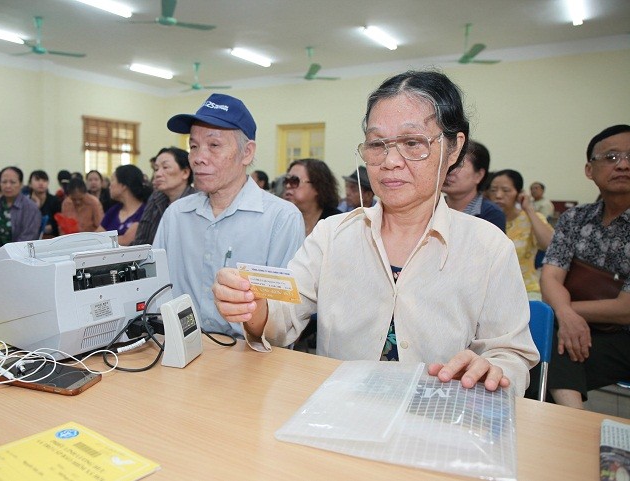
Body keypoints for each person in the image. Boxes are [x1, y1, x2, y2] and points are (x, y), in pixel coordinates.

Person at [212, 71, 538, 394]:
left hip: (436, 421)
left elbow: (511, 355)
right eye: (377, 144)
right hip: (339, 411)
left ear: (453, 149)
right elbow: (281, 319)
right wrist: (254, 309)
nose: (390, 161)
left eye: (412, 143)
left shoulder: (488, 247)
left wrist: (494, 370)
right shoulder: (332, 235)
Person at [154, 93, 304, 338]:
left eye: (214, 145)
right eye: (193, 146)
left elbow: (284, 317)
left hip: (252, 356)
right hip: (181, 348)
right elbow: (155, 293)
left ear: (247, 153)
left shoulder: (281, 219)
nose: (198, 158)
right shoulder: (176, 215)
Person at [539, 124, 630, 408]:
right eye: (612, 157)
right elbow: (551, 277)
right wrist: (565, 314)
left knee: (543, 364)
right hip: (573, 329)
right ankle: (572, 420)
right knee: (538, 348)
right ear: (590, 170)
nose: (623, 165)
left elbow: (625, 310)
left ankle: (570, 419)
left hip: (623, 338)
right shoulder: (574, 218)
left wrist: (565, 313)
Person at [489, 169, 553, 299]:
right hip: (490, 291)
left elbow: (550, 245)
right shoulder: (485, 219)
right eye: (493, 190)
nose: (499, 195)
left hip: (526, 290)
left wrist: (529, 209)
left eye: (506, 190)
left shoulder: (531, 218)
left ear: (519, 194)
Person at [131, 147, 197, 246]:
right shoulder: (155, 198)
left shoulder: (197, 201)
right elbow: (141, 240)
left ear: (185, 173)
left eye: (165, 167)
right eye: (156, 169)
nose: (157, 174)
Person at [442, 141, 506, 232]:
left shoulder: (491, 214)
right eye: (447, 163)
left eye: (458, 165)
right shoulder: (431, 208)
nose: (449, 170)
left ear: (479, 175)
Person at [283, 158, 340, 236]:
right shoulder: (282, 219)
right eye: (286, 180)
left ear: (317, 187)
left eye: (294, 181)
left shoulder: (337, 223)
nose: (288, 186)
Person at [0, 166, 41, 247]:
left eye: (12, 182)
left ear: (21, 184)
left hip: (15, 256)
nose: (8, 186)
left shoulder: (31, 208)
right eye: (4, 182)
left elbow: (27, 240)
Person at [97, 164, 150, 245]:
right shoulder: (114, 210)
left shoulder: (145, 212)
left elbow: (126, 241)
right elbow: (96, 237)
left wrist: (102, 241)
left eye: (113, 180)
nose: (109, 186)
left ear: (123, 186)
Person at [28, 169, 61, 236]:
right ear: (30, 184)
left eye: (44, 180)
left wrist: (51, 227)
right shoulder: (25, 202)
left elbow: (59, 222)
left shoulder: (54, 200)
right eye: (37, 180)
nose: (41, 183)